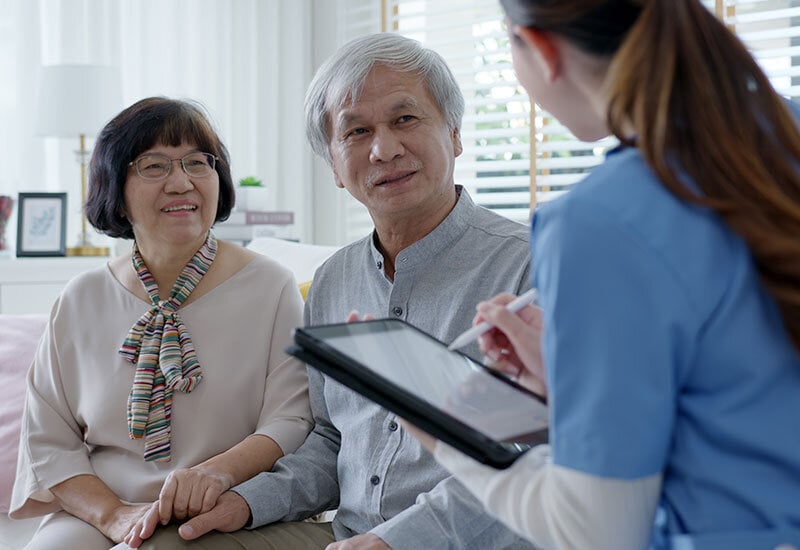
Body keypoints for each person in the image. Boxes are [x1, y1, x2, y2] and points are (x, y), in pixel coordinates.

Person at [402, 1, 800, 549]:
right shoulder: (778, 138)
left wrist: (445, 437)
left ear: (541, 49)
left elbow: (597, 533)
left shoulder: (599, 222)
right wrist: (582, 394)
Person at [127, 33, 536, 550]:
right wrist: (249, 501)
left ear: (454, 134)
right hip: (345, 533)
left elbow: (530, 460)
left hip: (472, 540)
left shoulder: (530, 267)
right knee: (167, 543)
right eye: (357, 131)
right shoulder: (333, 280)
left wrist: (395, 541)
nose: (384, 149)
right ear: (335, 168)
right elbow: (330, 440)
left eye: (405, 119)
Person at [9, 97, 313, 549]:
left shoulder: (270, 286)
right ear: (117, 189)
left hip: (223, 504)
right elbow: (48, 441)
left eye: (197, 163)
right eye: (154, 166)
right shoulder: (81, 298)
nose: (181, 182)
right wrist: (113, 515)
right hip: (103, 507)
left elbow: (291, 417)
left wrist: (216, 473)